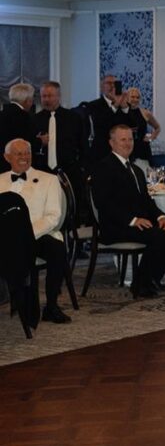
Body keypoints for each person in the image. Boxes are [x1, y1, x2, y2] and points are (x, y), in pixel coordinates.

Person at [90, 124, 165, 299]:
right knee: (158, 236)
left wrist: (161, 216)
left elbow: (146, 201)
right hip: (116, 227)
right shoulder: (103, 167)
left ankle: (151, 278)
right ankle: (142, 284)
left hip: (138, 223)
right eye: (123, 139)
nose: (128, 143)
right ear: (111, 143)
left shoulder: (136, 169)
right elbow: (104, 204)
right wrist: (133, 220)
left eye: (130, 139)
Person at [0, 138, 72, 324]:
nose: (24, 157)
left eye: (27, 153)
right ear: (7, 157)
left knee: (57, 250)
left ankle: (51, 306)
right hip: (6, 239)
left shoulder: (49, 180)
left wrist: (26, 233)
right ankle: (15, 298)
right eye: (19, 153)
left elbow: (53, 216)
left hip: (39, 235)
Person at [33, 81, 86, 226]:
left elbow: (83, 146)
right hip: (42, 172)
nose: (46, 100)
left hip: (68, 171)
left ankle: (73, 243)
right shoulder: (34, 120)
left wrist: (81, 168)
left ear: (58, 96)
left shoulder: (74, 118)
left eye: (50, 96)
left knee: (71, 210)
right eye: (43, 96)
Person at [83, 74, 130, 169]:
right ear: (102, 87)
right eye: (108, 83)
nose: (112, 86)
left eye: (115, 83)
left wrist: (125, 107)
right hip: (102, 155)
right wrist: (115, 106)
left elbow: (133, 126)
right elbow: (100, 125)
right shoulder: (93, 105)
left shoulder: (123, 105)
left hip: (123, 156)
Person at [0, 83, 36, 175]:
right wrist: (41, 141)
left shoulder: (2, 113)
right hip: (16, 165)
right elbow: (27, 141)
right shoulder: (24, 117)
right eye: (31, 99)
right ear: (27, 100)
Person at [125, 87, 161, 167]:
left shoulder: (145, 113)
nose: (135, 99)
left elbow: (158, 128)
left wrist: (151, 138)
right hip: (127, 147)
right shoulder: (121, 113)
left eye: (137, 97)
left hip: (142, 149)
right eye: (133, 97)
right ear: (127, 97)